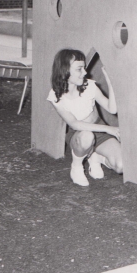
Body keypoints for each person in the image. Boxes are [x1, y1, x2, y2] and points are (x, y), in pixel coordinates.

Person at [47, 49, 123, 187]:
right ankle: (76, 167)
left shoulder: (89, 86)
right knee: (87, 137)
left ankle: (96, 157)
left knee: (120, 166)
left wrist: (111, 81)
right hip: (79, 134)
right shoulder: (56, 96)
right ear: (65, 70)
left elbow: (112, 108)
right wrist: (109, 129)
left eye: (84, 68)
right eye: (79, 69)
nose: (85, 73)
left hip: (99, 130)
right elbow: (75, 124)